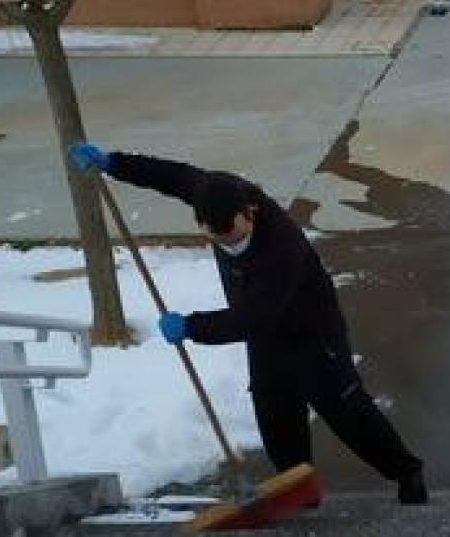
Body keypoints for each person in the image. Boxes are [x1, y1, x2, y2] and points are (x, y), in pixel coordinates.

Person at [69, 143, 428, 506]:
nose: (231, 244)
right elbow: (171, 175)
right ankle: (300, 490)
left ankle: (406, 471)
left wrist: (193, 327)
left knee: (345, 410)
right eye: (220, 240)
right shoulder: (212, 192)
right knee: (275, 413)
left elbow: (253, 318)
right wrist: (115, 163)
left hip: (312, 330)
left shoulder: (281, 246)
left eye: (237, 236)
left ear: (249, 212)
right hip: (266, 335)